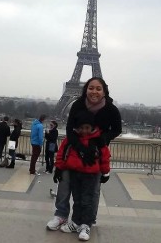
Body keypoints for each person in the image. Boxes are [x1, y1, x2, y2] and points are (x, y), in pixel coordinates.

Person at [47, 77, 122, 230]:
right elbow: (69, 129)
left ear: (104, 91)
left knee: (91, 192)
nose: (94, 91)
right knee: (64, 184)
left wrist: (103, 139)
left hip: (95, 155)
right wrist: (80, 147)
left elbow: (117, 129)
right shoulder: (78, 104)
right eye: (91, 88)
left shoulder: (111, 109)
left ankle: (87, 221)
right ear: (86, 89)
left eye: (98, 88)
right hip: (73, 151)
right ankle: (61, 215)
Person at [53, 111, 110, 241]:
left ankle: (86, 225)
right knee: (77, 199)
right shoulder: (72, 139)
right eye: (81, 128)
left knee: (87, 201)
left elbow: (105, 157)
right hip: (75, 173)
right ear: (77, 128)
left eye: (87, 128)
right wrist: (59, 168)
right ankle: (76, 222)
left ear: (92, 128)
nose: (84, 131)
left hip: (90, 175)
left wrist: (105, 172)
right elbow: (62, 153)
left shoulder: (98, 140)